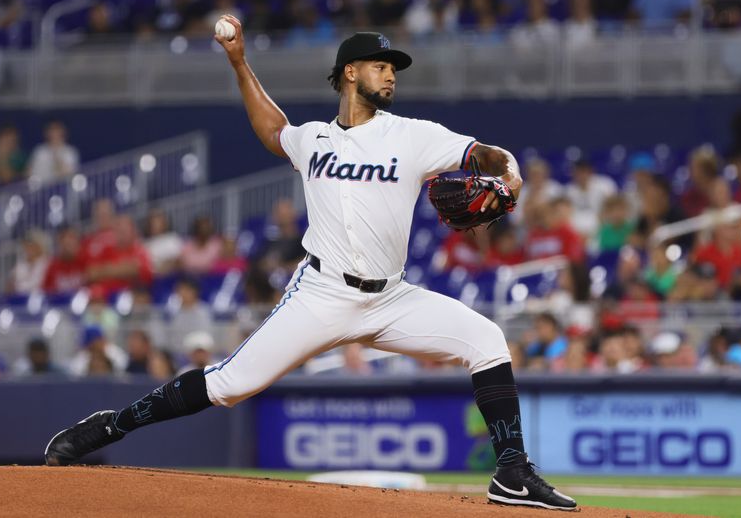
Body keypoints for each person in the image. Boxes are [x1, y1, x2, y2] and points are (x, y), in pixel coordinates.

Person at [44, 25, 575, 511]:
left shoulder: (412, 135)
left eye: (393, 67)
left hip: (391, 299)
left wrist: (510, 172)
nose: (390, 73)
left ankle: (510, 473)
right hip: (321, 294)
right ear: (350, 72)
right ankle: (110, 427)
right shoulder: (314, 139)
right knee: (228, 384)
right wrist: (239, 64)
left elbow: (483, 154)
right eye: (380, 64)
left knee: (485, 339)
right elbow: (274, 130)